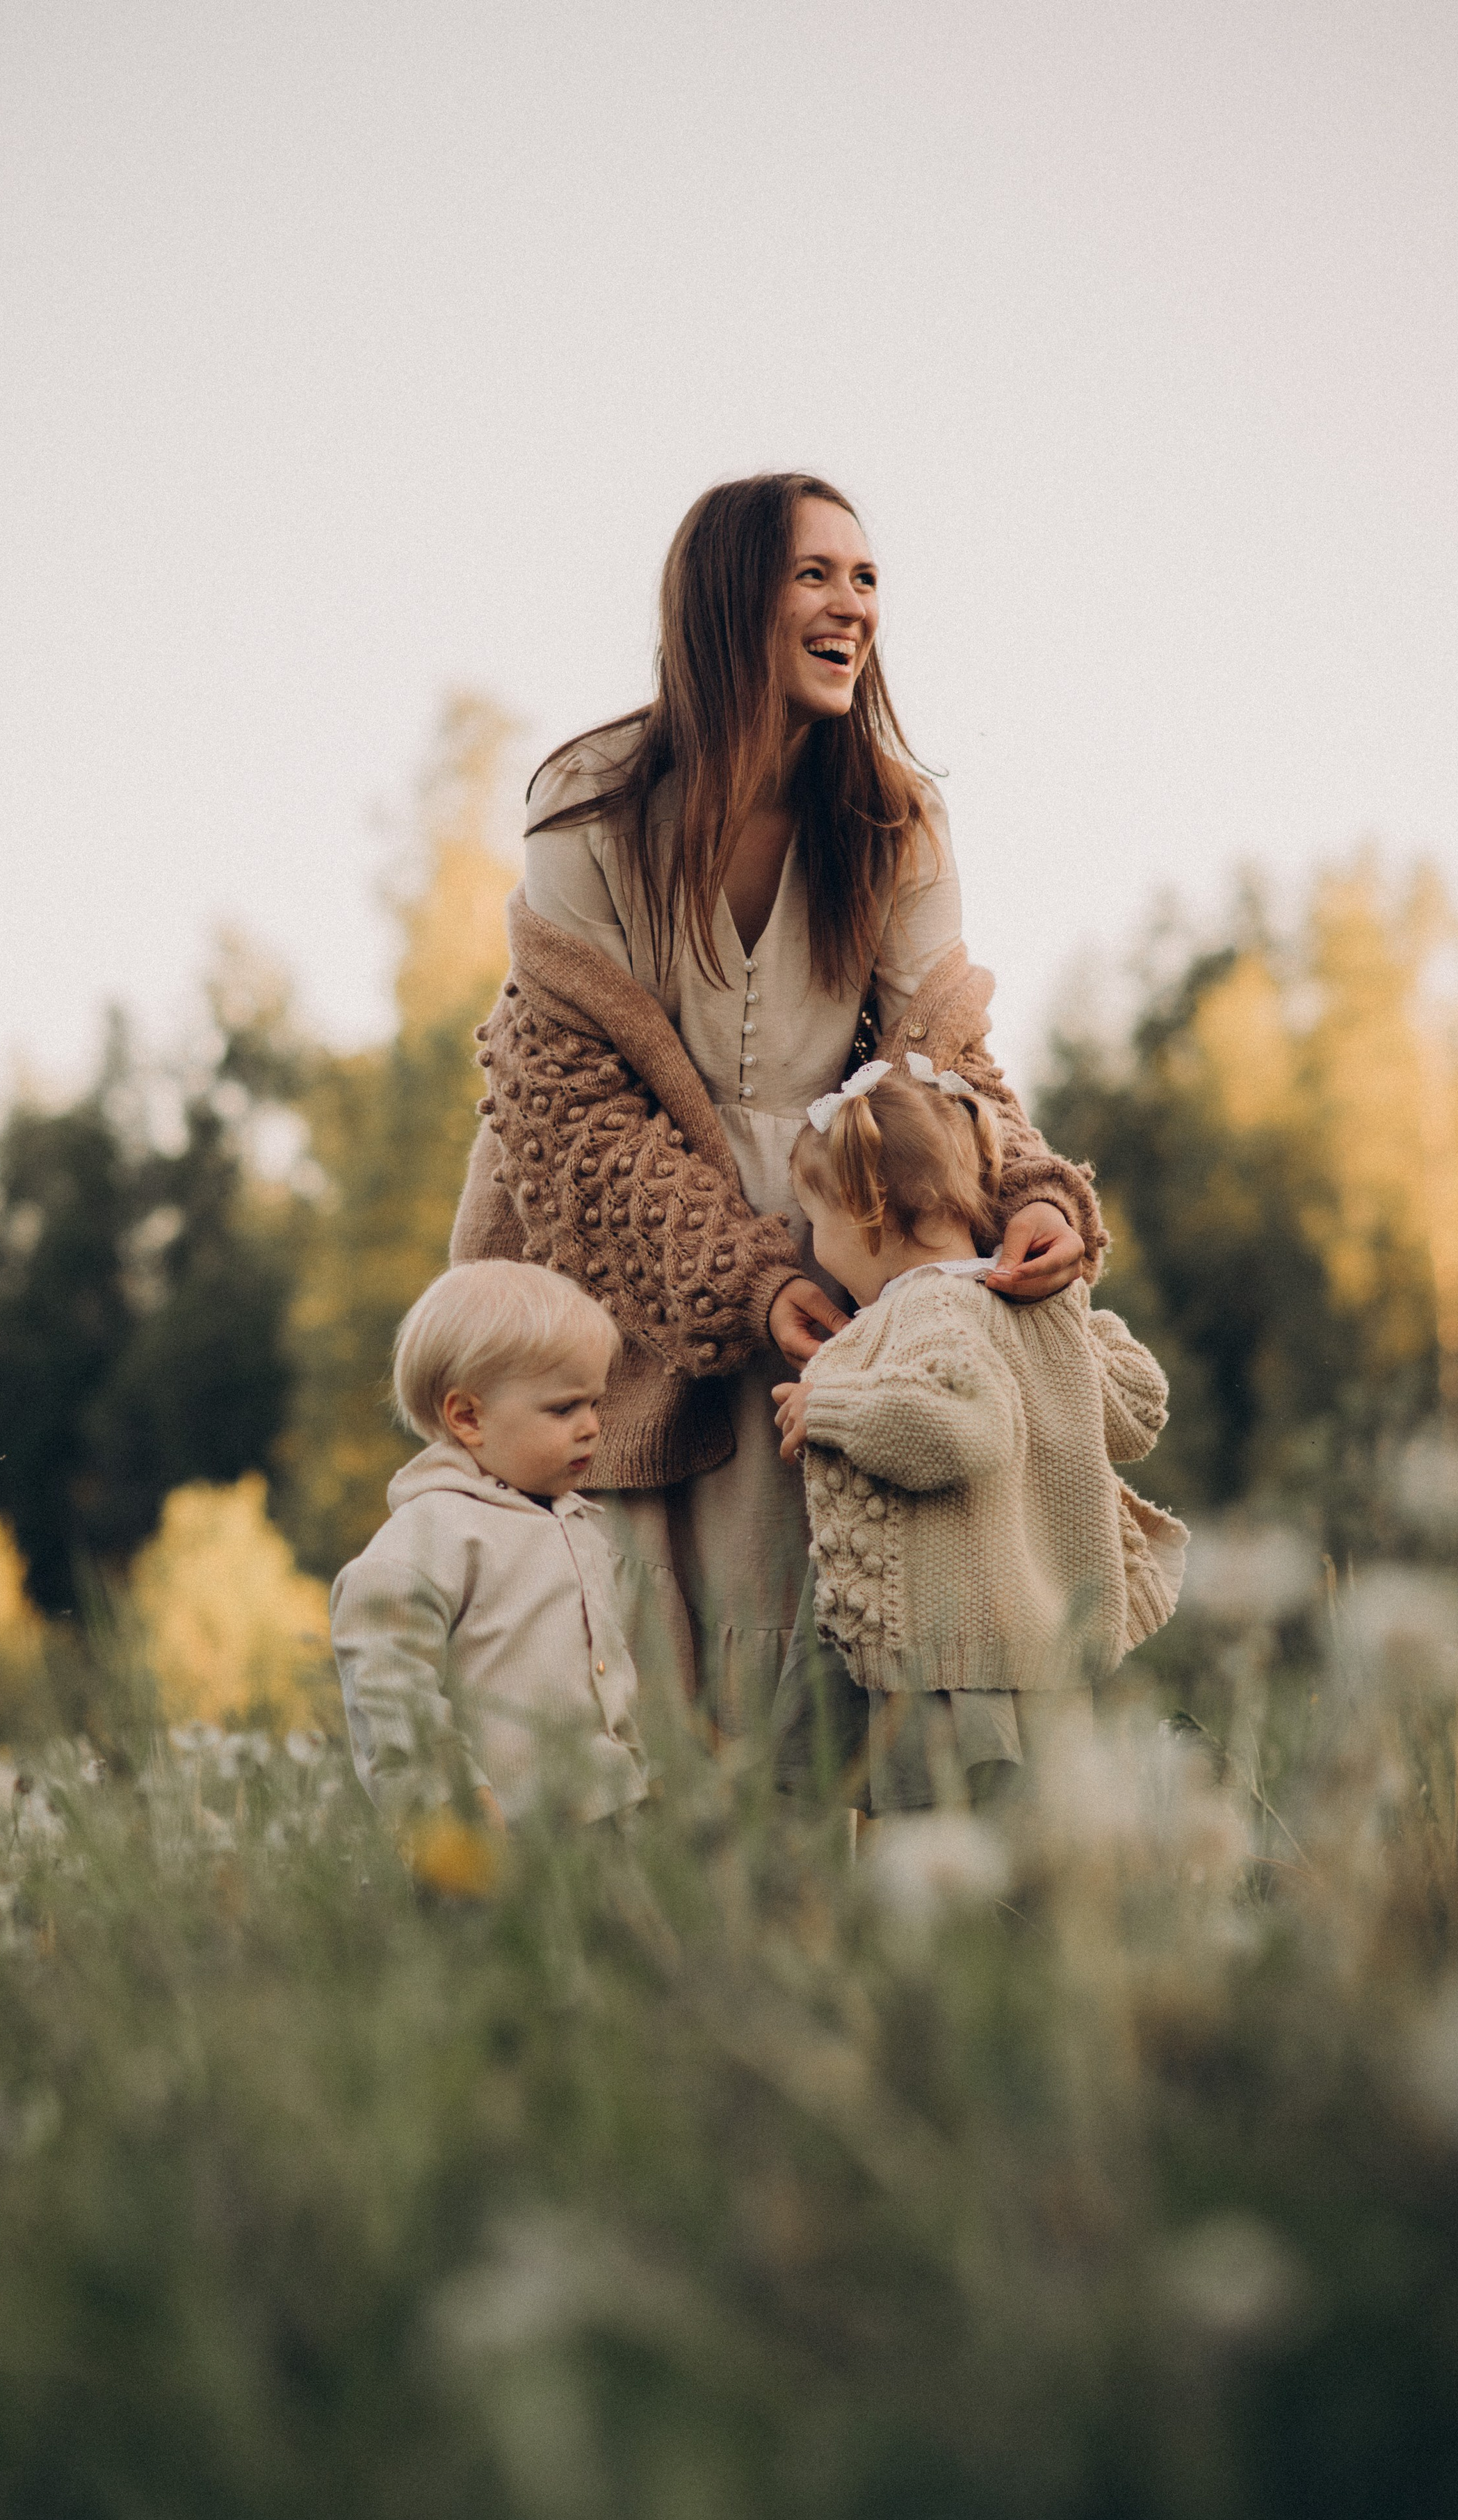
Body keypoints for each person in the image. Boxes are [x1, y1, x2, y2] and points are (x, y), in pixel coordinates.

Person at [452, 471, 1106, 1729]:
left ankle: (833, 1904)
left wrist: (1023, 1188)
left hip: (839, 1236)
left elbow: (946, 1063)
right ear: (724, 599)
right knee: (633, 1644)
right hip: (622, 1234)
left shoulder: (897, 818)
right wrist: (739, 1277)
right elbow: (566, 1102)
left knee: (811, 1637)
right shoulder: (588, 802)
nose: (851, 605)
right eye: (815, 574)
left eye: (866, 578)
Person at [769, 1055, 1188, 1812]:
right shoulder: (1020, 1305)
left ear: (865, 1216)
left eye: (816, 1223)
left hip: (945, 1667)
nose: (815, 1249)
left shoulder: (925, 1310)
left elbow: (963, 1429)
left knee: (941, 1842)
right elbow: (1138, 1412)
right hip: (1026, 1651)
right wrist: (1074, 1321)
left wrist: (825, 1402)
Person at [330, 1260, 649, 1830]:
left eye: (595, 1404)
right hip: (496, 1837)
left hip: (605, 1823)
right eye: (564, 1408)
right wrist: (448, 1800)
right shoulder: (431, 1538)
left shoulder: (573, 1522)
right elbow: (388, 1683)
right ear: (468, 1417)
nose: (592, 1426)